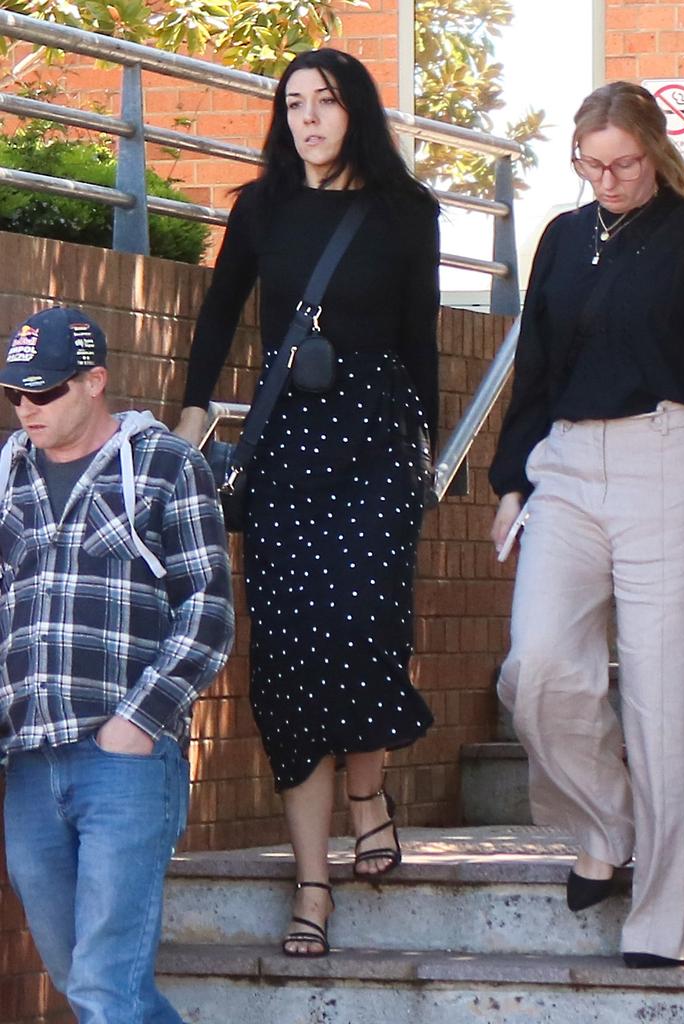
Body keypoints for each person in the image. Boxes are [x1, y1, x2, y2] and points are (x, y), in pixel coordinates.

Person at [489, 81, 684, 968]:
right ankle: (605, 821)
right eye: (591, 165)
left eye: (624, 163)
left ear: (655, 152)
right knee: (536, 667)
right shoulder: (564, 240)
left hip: (670, 462)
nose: (606, 179)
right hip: (566, 467)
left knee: (669, 703)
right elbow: (533, 365)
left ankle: (666, 928)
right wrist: (508, 480)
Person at [174, 48, 438, 957]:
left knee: (365, 626)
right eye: (294, 104)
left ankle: (367, 792)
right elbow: (217, 314)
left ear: (355, 110)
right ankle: (312, 883)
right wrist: (192, 416)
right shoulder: (261, 208)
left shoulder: (406, 213)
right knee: (287, 655)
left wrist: (425, 459)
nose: (309, 119)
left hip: (375, 444)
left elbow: (421, 339)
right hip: (287, 442)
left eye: (325, 102)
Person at [0, 304, 235, 1021]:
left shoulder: (165, 465)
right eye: (15, 393)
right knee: (89, 982)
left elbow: (209, 611)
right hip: (29, 764)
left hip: (124, 761)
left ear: (95, 381)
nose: (25, 409)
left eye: (45, 393)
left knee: (104, 987)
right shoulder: (7, 475)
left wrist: (137, 724)